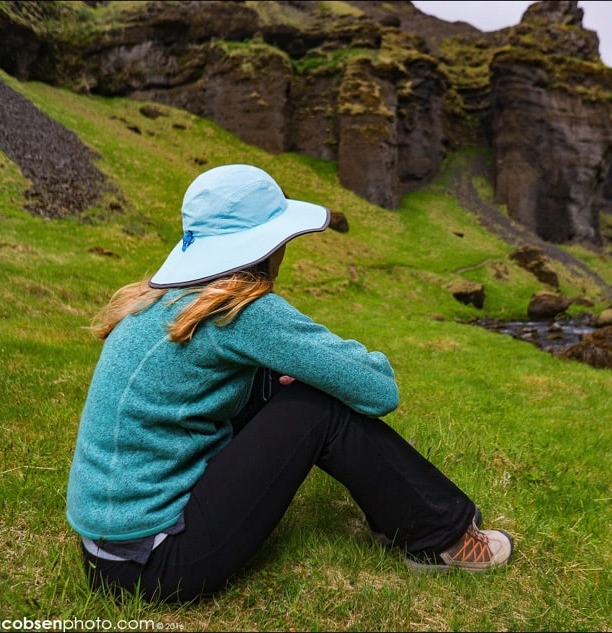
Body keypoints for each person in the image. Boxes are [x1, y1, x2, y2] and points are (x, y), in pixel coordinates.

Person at [65, 164, 513, 603]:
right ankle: (442, 537)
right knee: (317, 408)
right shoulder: (240, 311)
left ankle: (401, 513)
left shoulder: (164, 298)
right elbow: (379, 390)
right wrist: (327, 371)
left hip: (108, 557)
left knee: (270, 386)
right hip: (160, 563)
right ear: (266, 246)